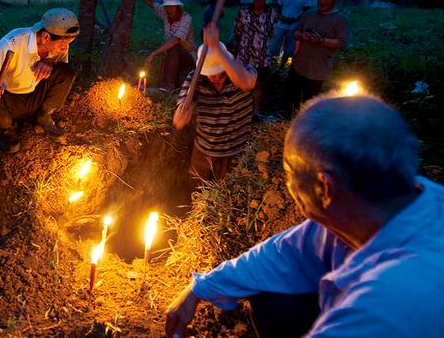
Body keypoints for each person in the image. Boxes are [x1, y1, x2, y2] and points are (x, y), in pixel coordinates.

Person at [165, 94, 444, 338]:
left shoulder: (389, 307)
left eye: (289, 173)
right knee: (274, 297)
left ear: (325, 188)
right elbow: (284, 251)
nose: (287, 187)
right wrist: (200, 288)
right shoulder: (378, 208)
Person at [0, 8, 79, 152]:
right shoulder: (12, 43)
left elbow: (62, 69)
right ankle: (7, 131)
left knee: (66, 72)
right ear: (46, 37)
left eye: (69, 43)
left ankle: (44, 115)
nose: (65, 48)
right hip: (9, 101)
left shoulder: (58, 44)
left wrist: (50, 63)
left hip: (35, 97)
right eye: (63, 44)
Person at [173, 24, 256, 183]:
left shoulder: (241, 70)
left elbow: (247, 83)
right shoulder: (195, 78)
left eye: (217, 72)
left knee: (227, 194)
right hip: (204, 151)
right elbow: (182, 107)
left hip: (235, 151)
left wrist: (216, 47)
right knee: (196, 193)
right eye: (209, 73)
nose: (214, 77)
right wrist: (182, 112)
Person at [284, 0, 349, 113]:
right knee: (290, 95)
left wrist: (321, 40)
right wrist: (302, 36)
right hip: (299, 64)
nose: (323, 1)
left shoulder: (340, 19)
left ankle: (305, 126)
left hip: (318, 69)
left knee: (309, 102)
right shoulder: (309, 14)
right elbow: (296, 32)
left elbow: (341, 43)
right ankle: (285, 119)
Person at [127, 0, 196, 89]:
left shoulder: (186, 18)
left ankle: (169, 88)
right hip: (171, 54)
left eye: (172, 7)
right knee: (162, 53)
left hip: (188, 55)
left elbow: (175, 40)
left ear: (178, 7)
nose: (169, 10)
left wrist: (153, 54)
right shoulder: (165, 13)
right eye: (167, 7)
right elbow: (151, 3)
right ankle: (143, 83)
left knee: (172, 47)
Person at [231, 0, 278, 120]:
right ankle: (239, 112)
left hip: (262, 57)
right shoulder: (243, 13)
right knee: (241, 85)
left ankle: (255, 113)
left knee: (259, 86)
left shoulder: (272, 14)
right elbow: (237, 32)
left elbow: (272, 34)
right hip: (244, 56)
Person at [268, 0, 312, 68]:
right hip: (281, 24)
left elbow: (306, 12)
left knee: (289, 50)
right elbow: (278, 7)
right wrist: (280, 17)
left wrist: (295, 19)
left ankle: (282, 67)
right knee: (273, 47)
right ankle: (270, 65)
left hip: (294, 26)